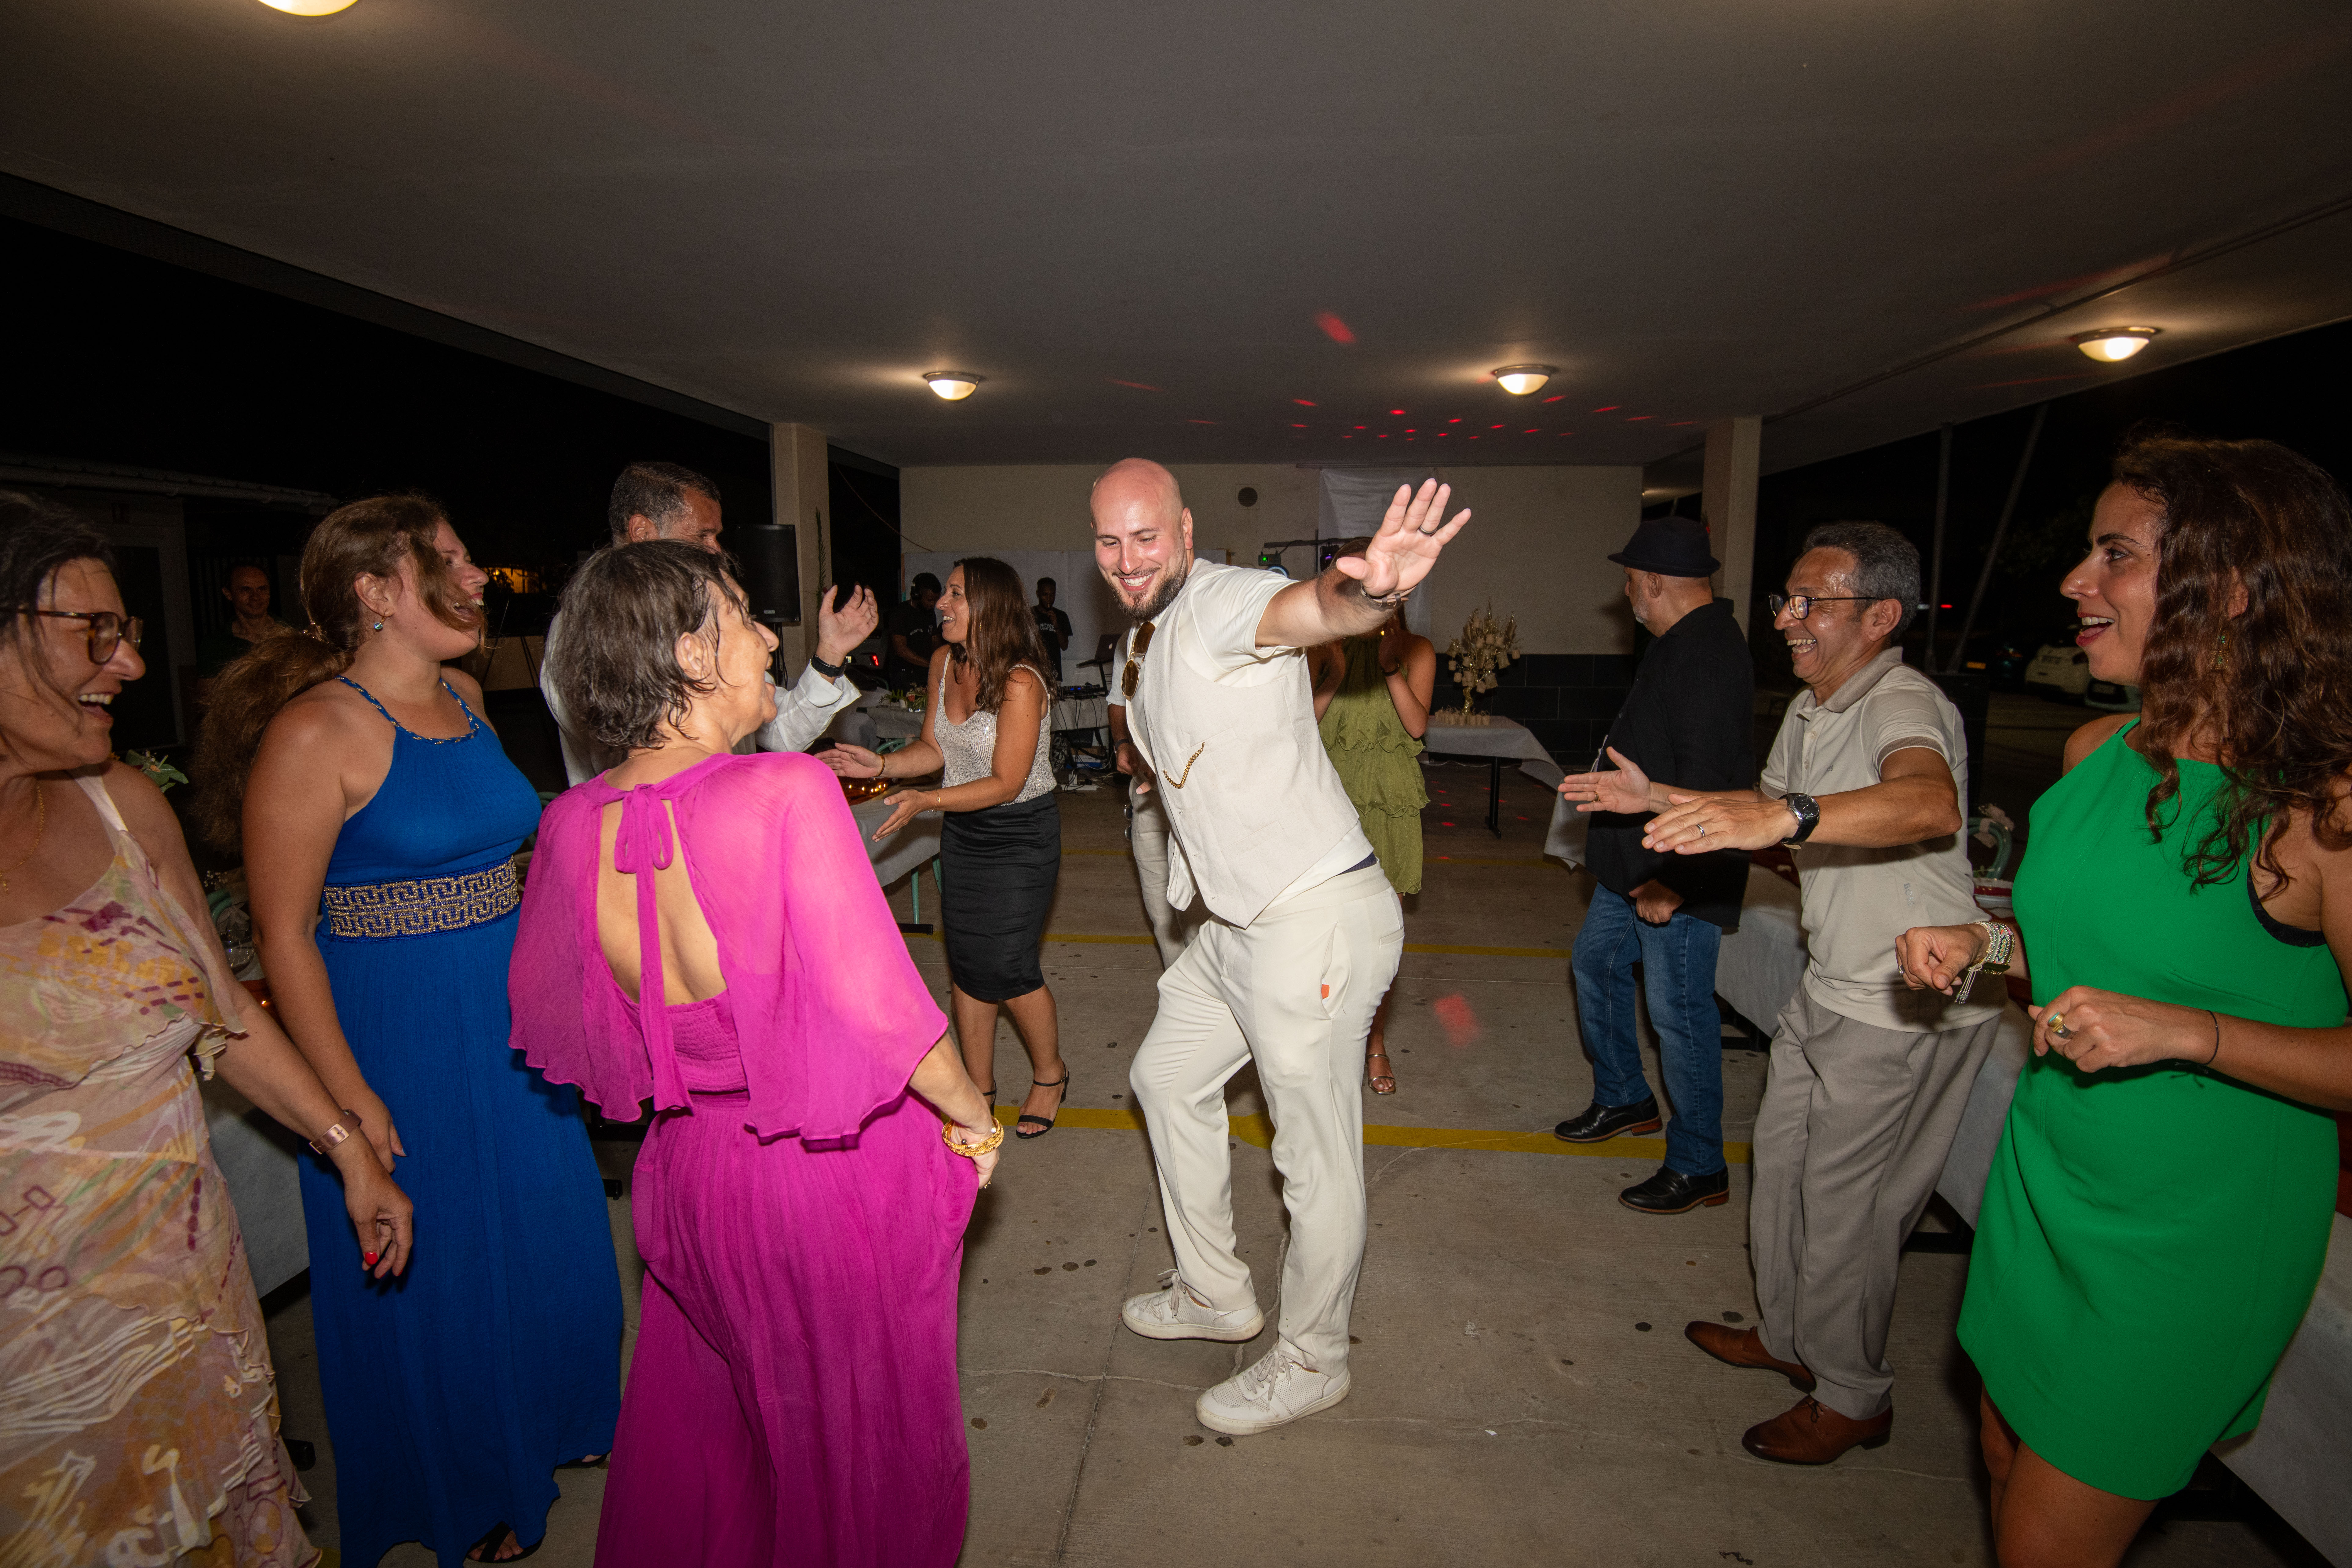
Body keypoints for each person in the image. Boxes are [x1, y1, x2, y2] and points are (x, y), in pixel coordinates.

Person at [1895, 436, 2352, 1568]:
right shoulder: (2096, 748)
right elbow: (2083, 962)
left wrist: (2190, 1033)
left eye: (2117, 555)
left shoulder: (2321, 805)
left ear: (2231, 585)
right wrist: (1983, 942)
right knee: (2004, 1457)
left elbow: (2174, 1004)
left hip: (2193, 1232)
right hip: (2046, 1177)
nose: (2074, 581)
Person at [511, 541, 995, 1567]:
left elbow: (599, 1026)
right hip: (820, 1182)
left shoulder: (570, 824)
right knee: (852, 1443)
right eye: (743, 617)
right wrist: (972, 1115)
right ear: (692, 652)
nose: (770, 640)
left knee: (724, 1433)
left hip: (688, 1174)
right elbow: (882, 1007)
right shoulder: (783, 791)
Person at [194, 496, 621, 1565]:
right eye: (452, 560)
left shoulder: (468, 699)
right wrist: (346, 1095)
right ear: (376, 590)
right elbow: (284, 934)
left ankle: (554, 1424)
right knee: (445, 1270)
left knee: (546, 1231)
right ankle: (463, 1483)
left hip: (508, 1016)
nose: (477, 577)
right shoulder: (313, 731)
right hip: (397, 1030)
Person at [0, 491, 412, 1568]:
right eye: (94, 632)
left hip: (188, 1311)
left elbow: (220, 1010)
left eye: (127, 629)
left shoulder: (122, 806)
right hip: (30, 1379)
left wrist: (348, 1149)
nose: (131, 664)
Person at [1563, 520, 2001, 1465]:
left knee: (1848, 1205)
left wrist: (1788, 815)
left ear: (1880, 617)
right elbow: (1757, 817)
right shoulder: (1812, 708)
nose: (1787, 619)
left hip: (1903, 999)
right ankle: (1789, 1335)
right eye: (1785, 599)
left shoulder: (1901, 701)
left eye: (1813, 602)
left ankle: (1851, 1395)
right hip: (1832, 981)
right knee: (1781, 1167)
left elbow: (1927, 801)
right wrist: (1654, 801)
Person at [1096, 458, 1467, 1435]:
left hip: (1311, 918)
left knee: (1313, 1158)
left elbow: (1306, 610)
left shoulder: (1224, 598)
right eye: (1108, 540)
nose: (1126, 558)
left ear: (1184, 531)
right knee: (1164, 1078)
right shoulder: (1145, 629)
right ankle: (1215, 1291)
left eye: (1145, 536)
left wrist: (1367, 593)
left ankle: (1313, 1358)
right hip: (1234, 921)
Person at [824, 559, 1070, 1138]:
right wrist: (881, 765)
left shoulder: (1021, 681)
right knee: (967, 961)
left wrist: (926, 801)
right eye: (946, 594)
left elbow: (1005, 782)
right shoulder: (943, 662)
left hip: (1019, 834)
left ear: (990, 604)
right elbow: (935, 750)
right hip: (965, 832)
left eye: (957, 594)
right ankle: (978, 1089)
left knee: (1009, 965)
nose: (942, 603)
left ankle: (1051, 1073)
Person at [1552, 515, 1753, 1212]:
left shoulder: (1708, 657)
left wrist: (1676, 881)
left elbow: (1712, 784)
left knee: (1679, 1014)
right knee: (1595, 962)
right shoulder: (1681, 642)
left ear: (1656, 582)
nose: (1627, 592)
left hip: (1679, 873)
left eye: (1631, 580)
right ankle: (1625, 1096)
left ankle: (1699, 1163)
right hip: (1638, 866)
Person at [542, 461, 876, 785]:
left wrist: (830, 655)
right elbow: (631, 765)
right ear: (643, 532)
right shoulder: (585, 630)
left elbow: (782, 732)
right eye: (703, 535)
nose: (716, 550)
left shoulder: (707, 617)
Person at [1308, 537, 1435, 1094]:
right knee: (1324, 937)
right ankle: (1325, 1041)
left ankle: (1375, 1041)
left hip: (1389, 806)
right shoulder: (1323, 646)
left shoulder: (1416, 649)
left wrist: (1388, 670)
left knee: (1380, 941)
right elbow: (1300, 726)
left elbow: (1416, 726)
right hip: (1330, 804)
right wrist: (1336, 673)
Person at [1108, 629, 1199, 966]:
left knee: (1196, 922)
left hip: (1192, 797)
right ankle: (1178, 993)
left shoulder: (1192, 631)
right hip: (1145, 796)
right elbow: (1117, 702)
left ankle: (1207, 996)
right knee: (1161, 916)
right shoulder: (1129, 642)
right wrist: (1122, 743)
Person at [198, 563, 291, 676]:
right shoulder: (215, 646)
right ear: (228, 594)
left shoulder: (290, 636)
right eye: (246, 590)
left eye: (262, 589)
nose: (256, 597)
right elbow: (208, 687)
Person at [887, 572, 942, 685]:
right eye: (930, 600)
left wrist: (941, 659)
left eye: (935, 601)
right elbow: (901, 650)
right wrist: (929, 664)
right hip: (904, 676)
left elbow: (935, 640)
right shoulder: (900, 613)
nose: (933, 605)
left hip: (924, 674)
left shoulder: (930, 613)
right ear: (917, 595)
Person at [1033, 575, 1072, 684]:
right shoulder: (1030, 615)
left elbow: (1065, 646)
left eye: (1052, 595)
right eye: (1045, 595)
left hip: (1055, 673)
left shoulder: (1061, 616)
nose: (1049, 599)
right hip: (1035, 671)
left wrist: (1056, 625)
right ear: (1038, 594)